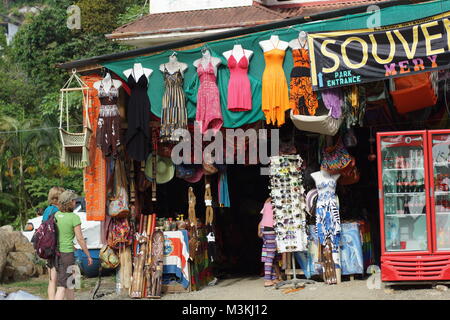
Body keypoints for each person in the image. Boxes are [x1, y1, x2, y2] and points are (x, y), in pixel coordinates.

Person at [54, 190, 92, 300]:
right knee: (62, 286)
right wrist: (88, 255)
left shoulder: (57, 215)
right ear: (70, 202)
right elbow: (80, 238)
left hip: (57, 253)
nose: (75, 202)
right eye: (74, 200)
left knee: (70, 283)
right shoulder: (74, 217)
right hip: (67, 254)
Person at [42, 186, 64, 300]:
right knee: (62, 283)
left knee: (51, 281)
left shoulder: (47, 210)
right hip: (57, 248)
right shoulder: (58, 211)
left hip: (47, 247)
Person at [258, 197, 282, 287]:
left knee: (273, 255)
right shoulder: (276, 204)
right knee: (270, 255)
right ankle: (267, 279)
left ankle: (273, 277)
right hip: (269, 228)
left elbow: (263, 217)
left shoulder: (267, 202)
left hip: (265, 227)